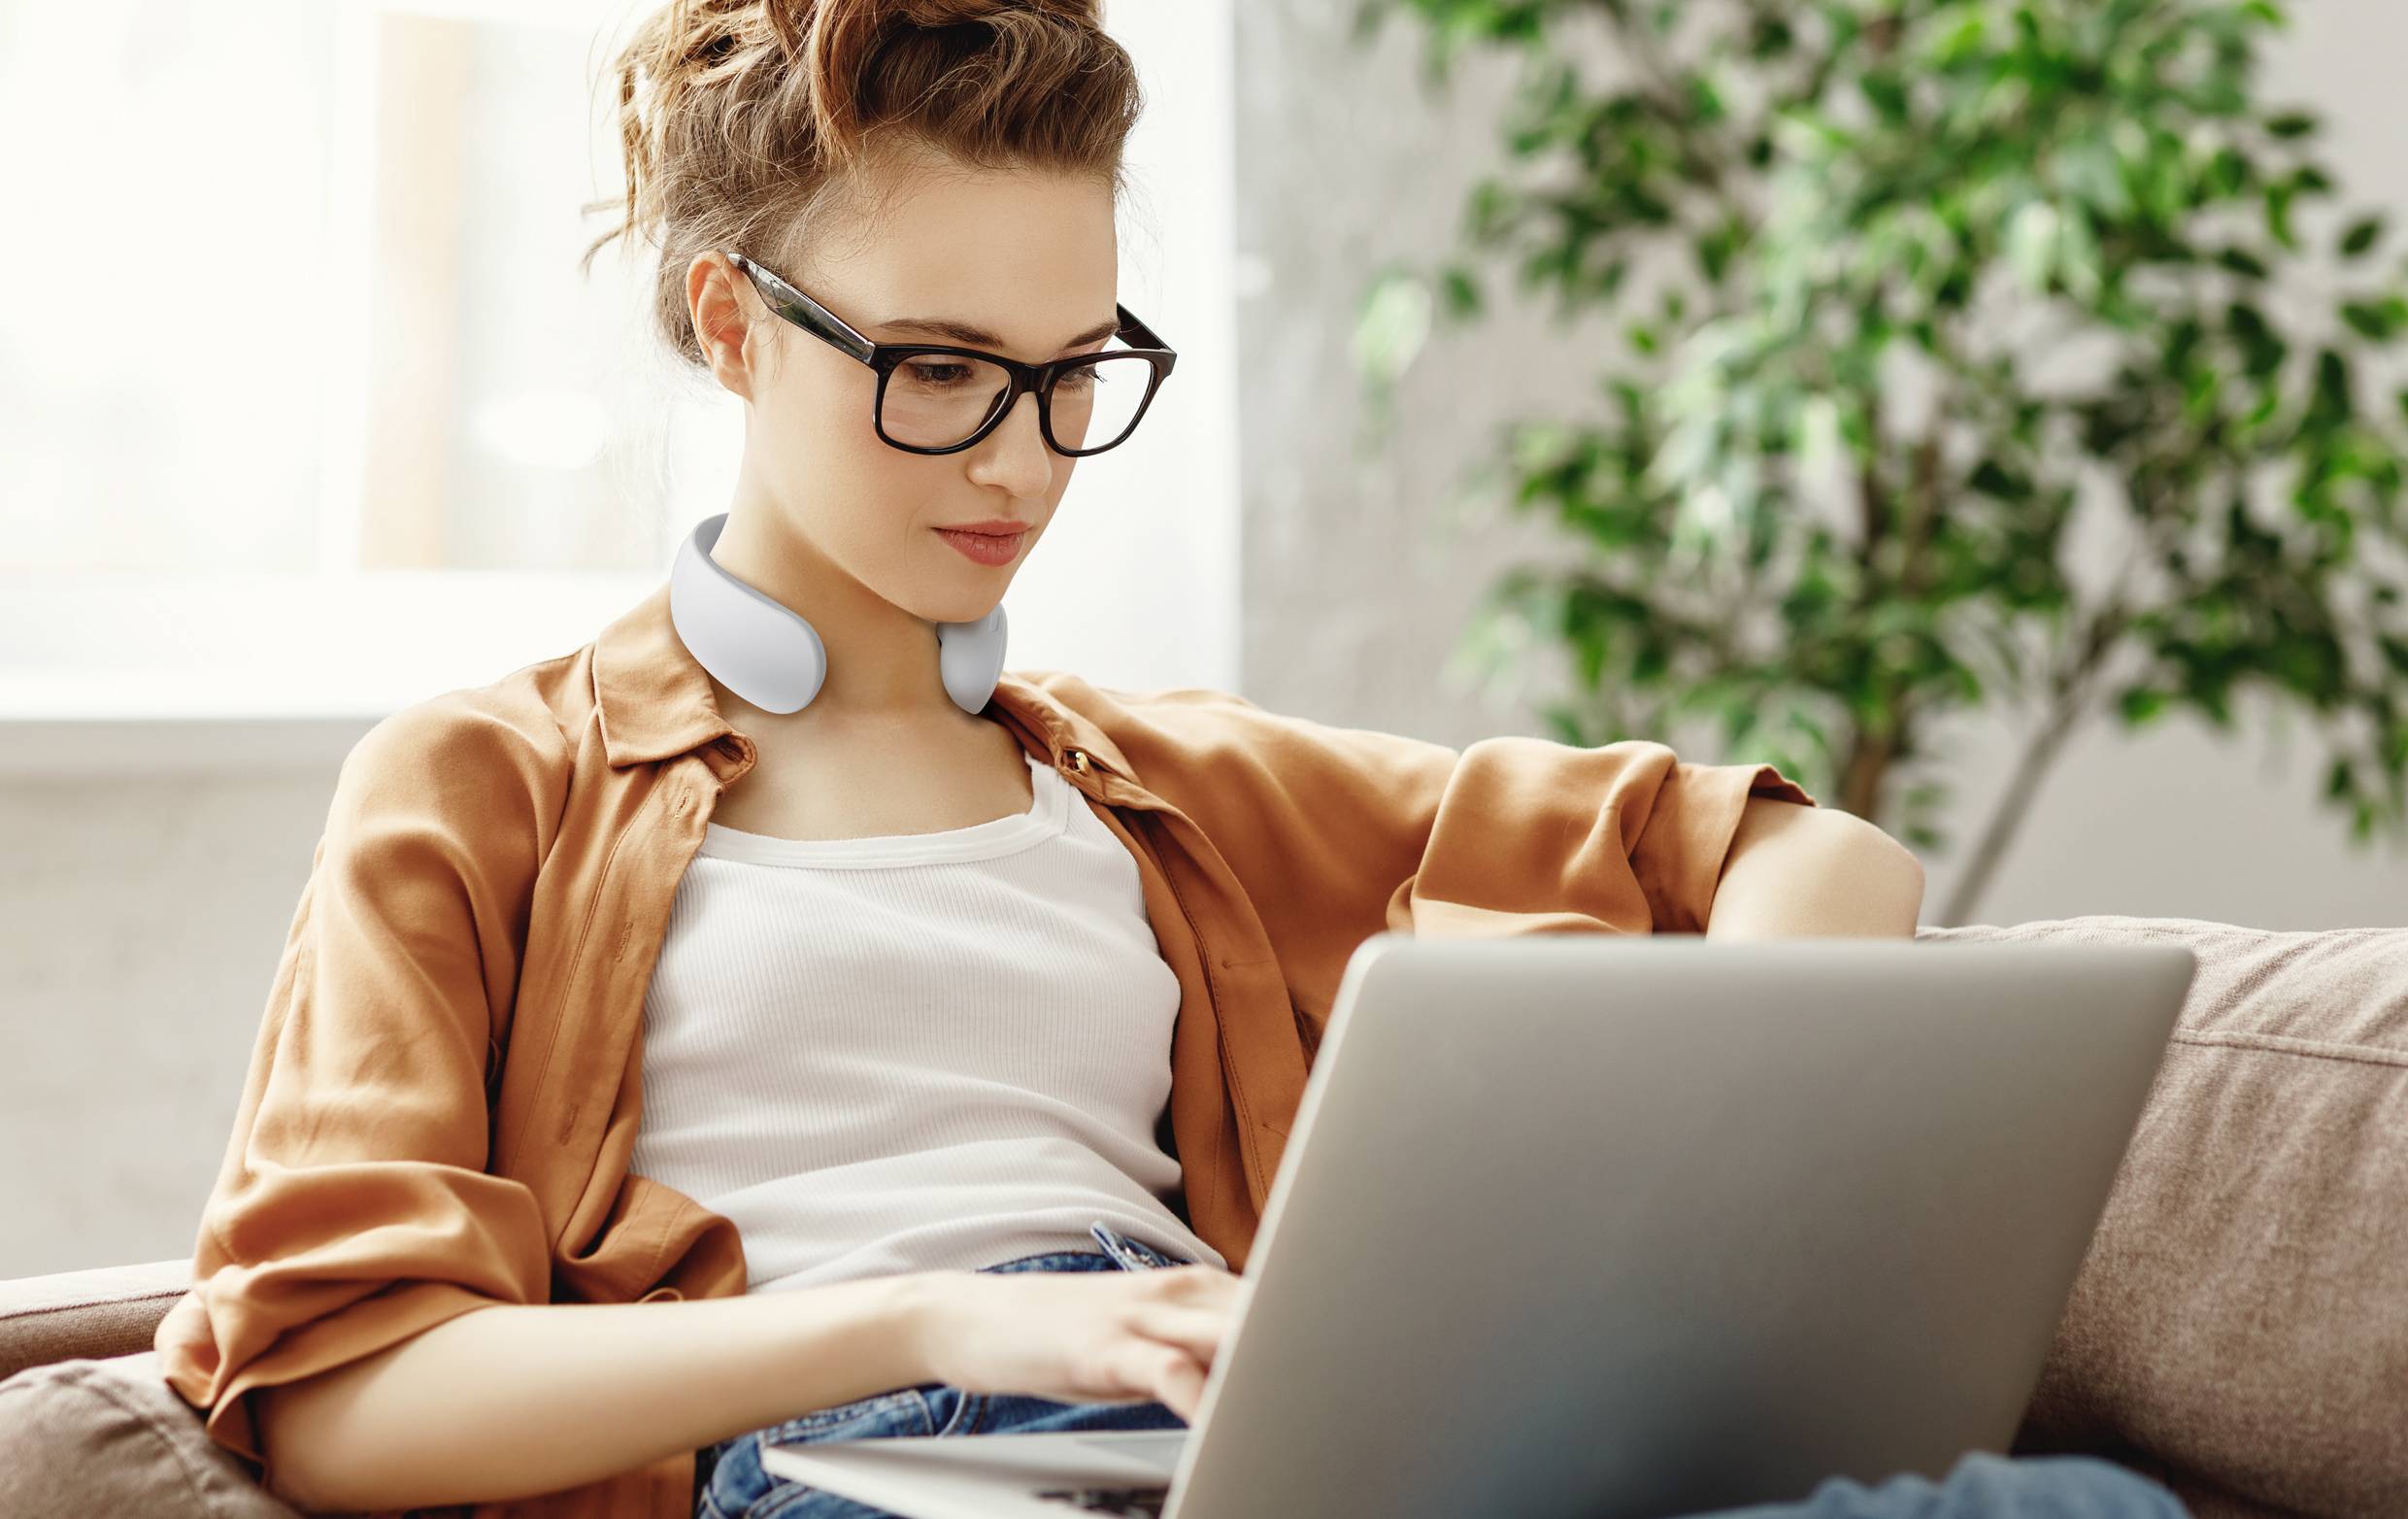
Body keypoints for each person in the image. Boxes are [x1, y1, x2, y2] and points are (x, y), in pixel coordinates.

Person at [145, 2, 2182, 1517]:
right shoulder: (481, 783)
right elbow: (343, 1395)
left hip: (1253, 1432)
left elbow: (1806, 857)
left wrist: (1698, 1234)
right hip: (866, 1456)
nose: (1023, 459)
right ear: (735, 323)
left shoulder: (1157, 787)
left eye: (1071, 371)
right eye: (938, 371)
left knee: (2075, 1505)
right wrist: (940, 1318)